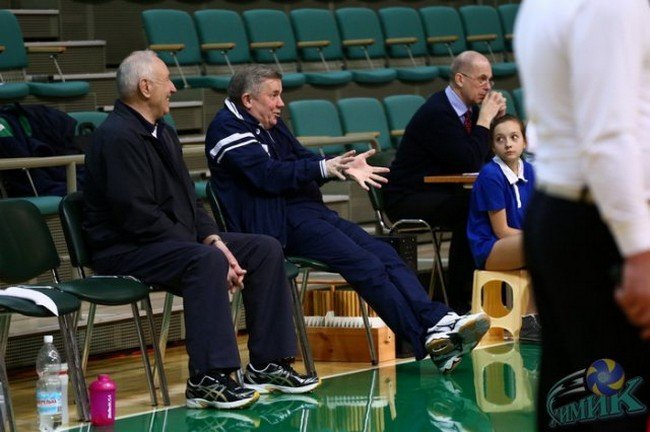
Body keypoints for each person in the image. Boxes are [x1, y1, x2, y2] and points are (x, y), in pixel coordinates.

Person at [204, 64, 490, 373]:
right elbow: (267, 175)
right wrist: (323, 168)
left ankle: (436, 322)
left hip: (305, 211)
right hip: (273, 225)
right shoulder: (226, 129)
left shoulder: (268, 121)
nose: (281, 103)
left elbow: (300, 158)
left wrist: (339, 165)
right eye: (274, 95)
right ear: (248, 100)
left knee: (384, 253)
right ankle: (428, 336)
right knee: (365, 264)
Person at [82, 50, 320, 411]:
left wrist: (215, 239)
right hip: (124, 248)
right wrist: (212, 253)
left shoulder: (163, 133)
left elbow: (190, 202)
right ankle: (208, 379)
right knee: (206, 261)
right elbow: (138, 217)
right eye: (167, 81)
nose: (173, 88)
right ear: (145, 87)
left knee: (264, 249)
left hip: (166, 241)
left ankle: (267, 364)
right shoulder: (116, 138)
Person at [515, 1, 650, 430]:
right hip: (602, 223)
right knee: (618, 405)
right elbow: (607, 136)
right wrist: (639, 250)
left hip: (561, 209)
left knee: (570, 405)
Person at [384, 51, 507, 313]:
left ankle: (495, 292)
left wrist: (495, 122)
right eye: (482, 79)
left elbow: (486, 158)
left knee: (488, 200)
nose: (488, 86)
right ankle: (462, 301)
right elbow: (468, 161)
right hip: (408, 197)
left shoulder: (471, 112)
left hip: (441, 192)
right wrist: (485, 120)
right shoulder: (437, 112)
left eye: (490, 80)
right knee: (473, 207)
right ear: (460, 79)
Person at [466, 115, 540, 341]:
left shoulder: (531, 171)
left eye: (514, 137)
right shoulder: (491, 175)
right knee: (543, 244)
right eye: (500, 139)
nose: (508, 144)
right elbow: (502, 231)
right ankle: (530, 320)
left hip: (519, 243)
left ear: (525, 142)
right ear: (492, 146)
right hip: (491, 248)